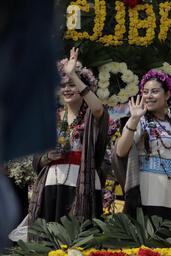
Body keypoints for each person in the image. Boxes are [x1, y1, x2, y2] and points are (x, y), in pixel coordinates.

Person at [28, 48, 110, 224]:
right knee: (52, 237)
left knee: (81, 238)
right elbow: (37, 158)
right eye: (62, 85)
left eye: (71, 84)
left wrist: (73, 74)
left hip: (83, 183)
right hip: (53, 182)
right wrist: (47, 157)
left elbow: (98, 109)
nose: (67, 89)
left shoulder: (91, 116)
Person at [113, 70, 171, 227]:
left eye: (155, 91)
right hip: (147, 192)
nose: (149, 96)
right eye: (145, 92)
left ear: (167, 95)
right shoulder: (140, 121)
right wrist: (134, 119)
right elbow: (120, 151)